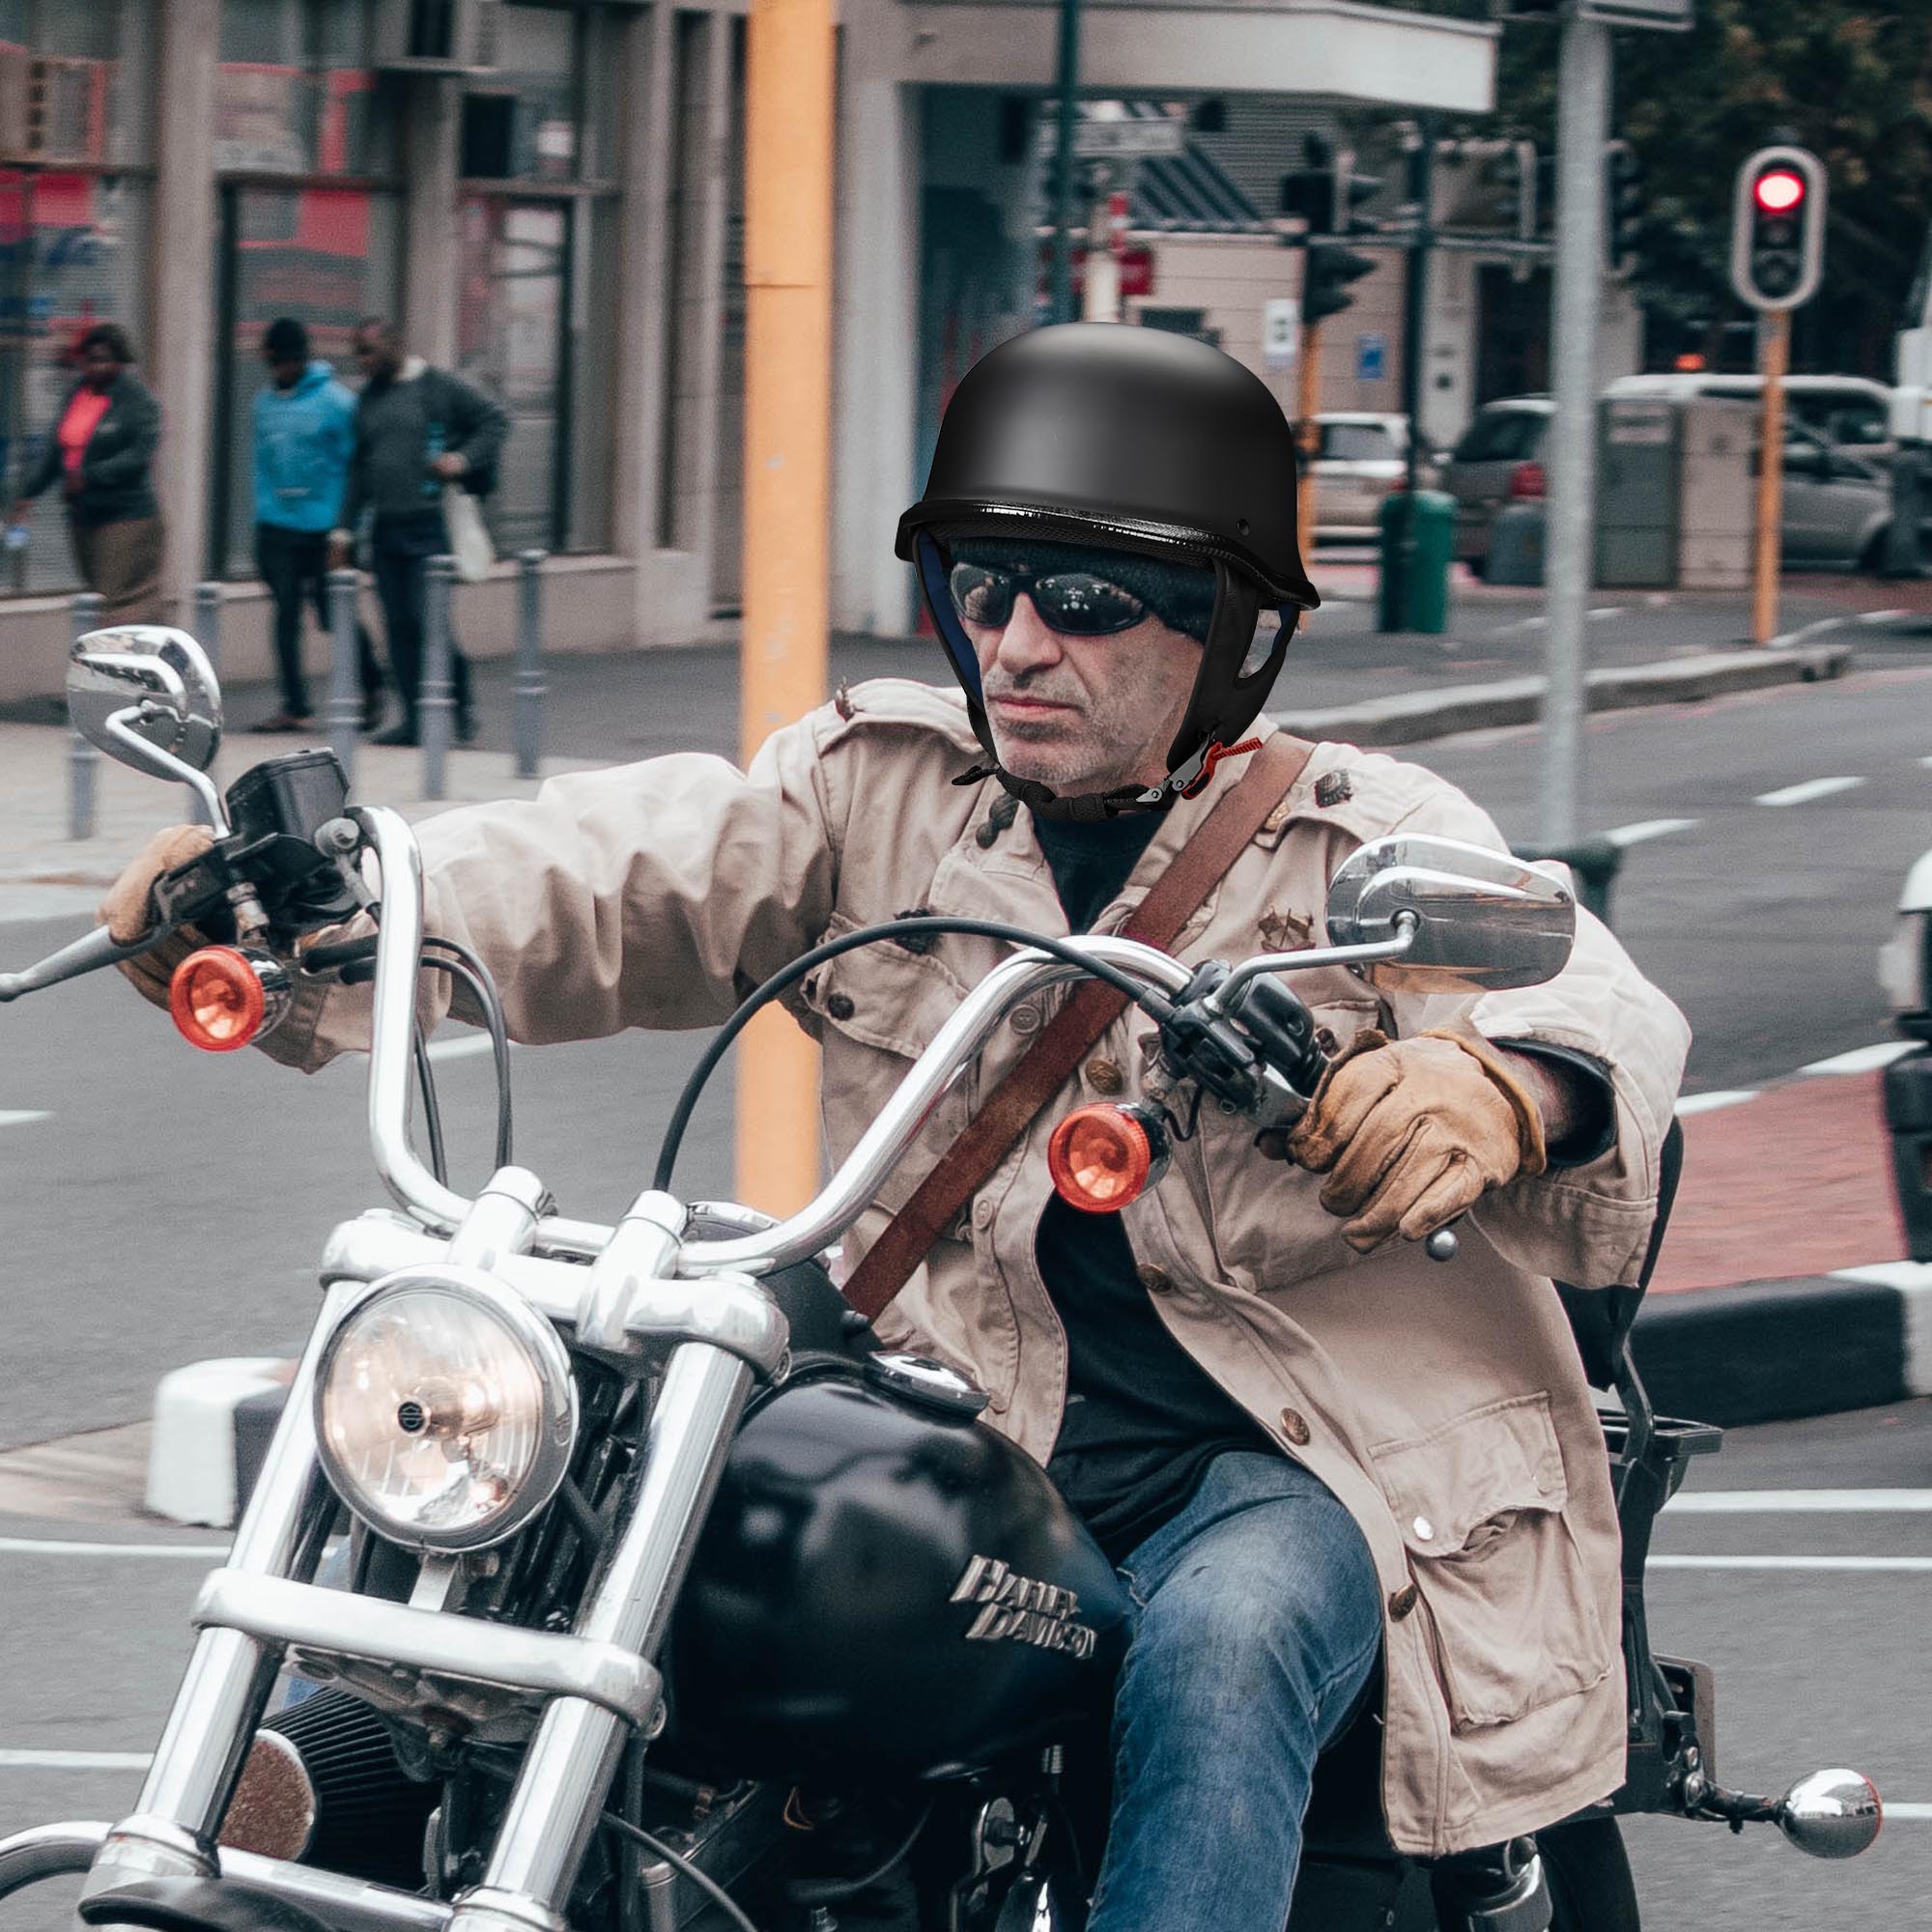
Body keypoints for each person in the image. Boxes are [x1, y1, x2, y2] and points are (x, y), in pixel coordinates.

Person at [103, 324, 1689, 1931]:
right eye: (985, 588)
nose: (1017, 642)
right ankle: (339, 1790)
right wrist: (342, 904)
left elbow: (1586, 994)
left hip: (1282, 1452)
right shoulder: (885, 795)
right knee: (584, 1492)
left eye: (1082, 598)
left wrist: (1502, 1086)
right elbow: (631, 864)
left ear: (1224, 632)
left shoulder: (1362, 841)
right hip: (968, 1423)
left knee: (1228, 1643)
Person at [328, 317, 507, 747]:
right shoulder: (368, 399)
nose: (362, 360)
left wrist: (461, 459)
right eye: (357, 352)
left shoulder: (437, 387)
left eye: (368, 351)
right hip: (386, 528)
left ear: (394, 345)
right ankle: (413, 720)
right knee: (398, 625)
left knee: (431, 623)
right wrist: (343, 532)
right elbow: (359, 469)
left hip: (430, 525)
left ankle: (460, 710)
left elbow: (495, 421)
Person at [251, 318, 386, 733]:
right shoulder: (264, 404)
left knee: (333, 614)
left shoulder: (336, 403)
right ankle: (294, 706)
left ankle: (371, 686)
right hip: (276, 525)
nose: (282, 371)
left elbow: (356, 467)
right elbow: (262, 465)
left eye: (289, 362)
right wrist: (263, 514)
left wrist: (348, 528)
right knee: (285, 614)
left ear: (303, 359)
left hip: (325, 529)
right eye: (276, 363)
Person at [11, 323, 164, 623]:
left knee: (111, 605)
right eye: (91, 359)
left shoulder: (138, 400)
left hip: (126, 518)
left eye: (105, 359)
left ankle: (123, 662)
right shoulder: (77, 392)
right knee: (101, 599)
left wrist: (90, 474)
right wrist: (28, 493)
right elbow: (56, 450)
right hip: (83, 516)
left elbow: (137, 457)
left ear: (121, 361)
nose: (97, 367)